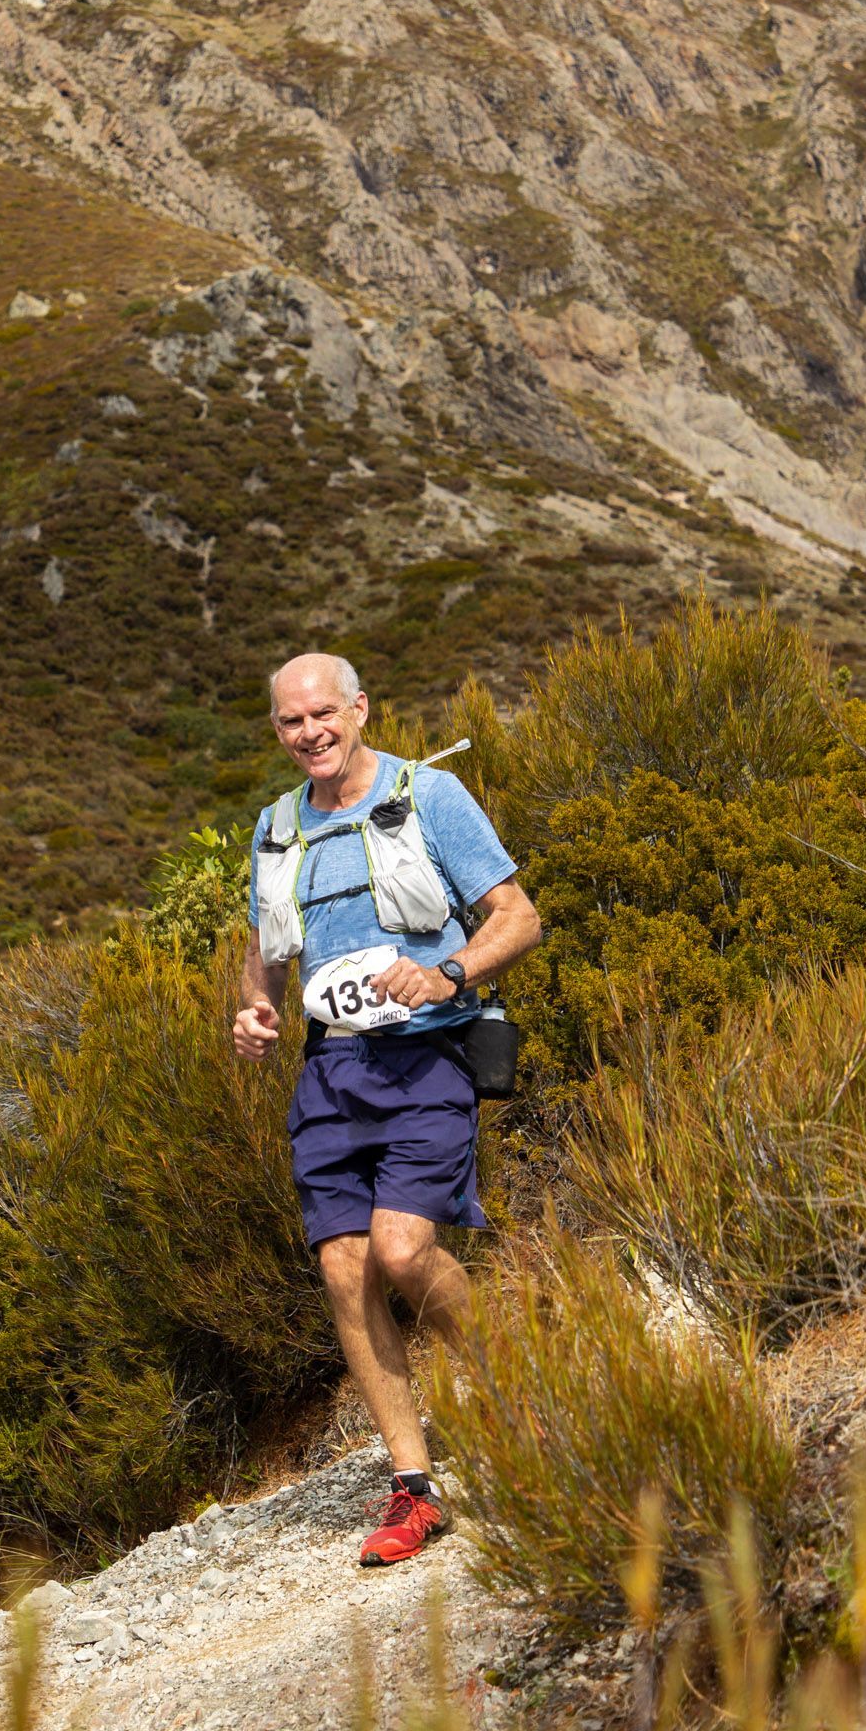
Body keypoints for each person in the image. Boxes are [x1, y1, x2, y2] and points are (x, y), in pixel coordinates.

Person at [233, 651, 541, 1566]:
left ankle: (526, 1399)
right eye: (291, 723)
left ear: (360, 710)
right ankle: (413, 1490)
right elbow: (263, 949)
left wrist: (447, 970)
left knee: (405, 1250)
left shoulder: (429, 796)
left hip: (426, 1057)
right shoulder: (276, 826)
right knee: (343, 1267)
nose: (309, 734)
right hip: (329, 1071)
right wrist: (253, 1009)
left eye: (323, 714)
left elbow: (516, 917)